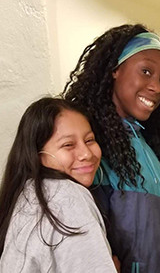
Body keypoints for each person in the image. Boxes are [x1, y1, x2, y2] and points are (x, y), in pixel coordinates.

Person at [63, 24, 160, 272]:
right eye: (146, 71)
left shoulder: (144, 140)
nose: (157, 87)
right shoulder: (92, 149)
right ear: (115, 69)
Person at [0, 97, 117, 272]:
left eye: (89, 140)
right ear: (38, 154)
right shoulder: (67, 196)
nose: (86, 153)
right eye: (68, 144)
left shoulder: (29, 193)